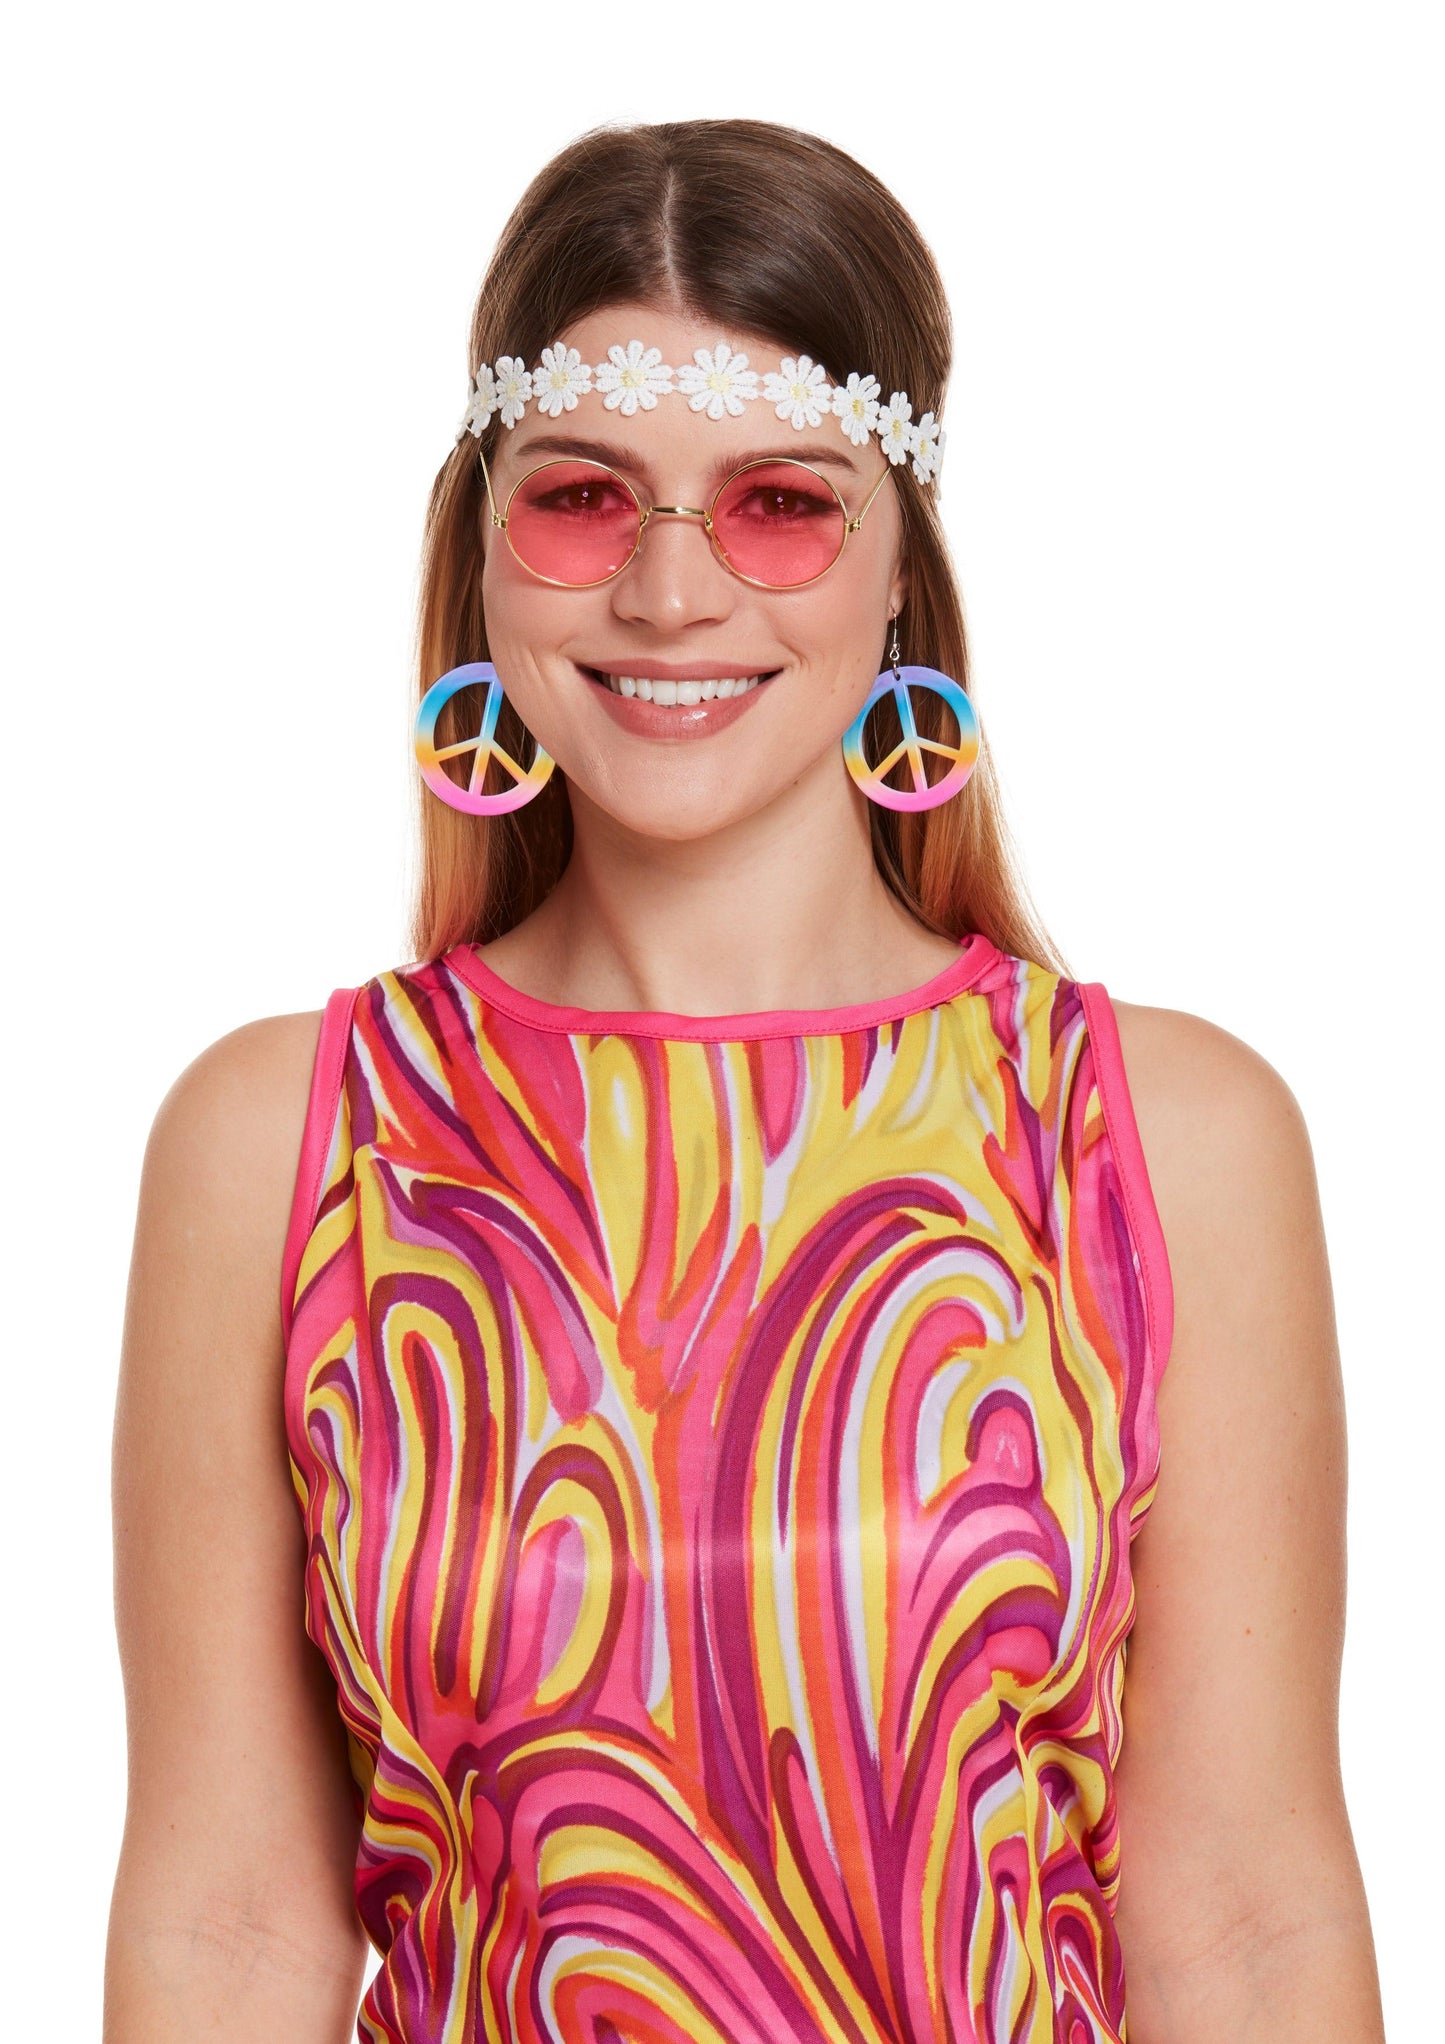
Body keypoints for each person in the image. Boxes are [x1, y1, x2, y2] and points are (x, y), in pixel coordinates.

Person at [103, 118, 1385, 2044]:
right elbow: (227, 1928)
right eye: (582, 499)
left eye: (780, 504)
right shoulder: (284, 1140)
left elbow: (1246, 1927)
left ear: (899, 568)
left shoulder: (1159, 1139)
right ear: (481, 550)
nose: (669, 596)